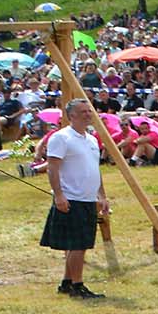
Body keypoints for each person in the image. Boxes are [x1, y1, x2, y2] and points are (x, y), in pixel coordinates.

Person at [41, 98, 110, 299]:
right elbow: (52, 167)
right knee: (77, 244)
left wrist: (102, 195)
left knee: (80, 243)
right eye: (83, 111)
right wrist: (59, 195)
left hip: (88, 198)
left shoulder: (91, 139)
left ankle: (67, 282)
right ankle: (77, 286)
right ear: (71, 116)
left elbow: (94, 170)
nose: (88, 114)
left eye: (89, 111)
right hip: (71, 198)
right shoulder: (61, 138)